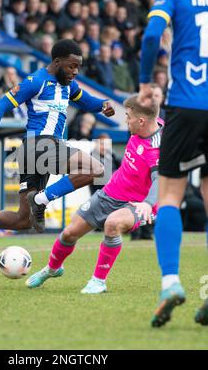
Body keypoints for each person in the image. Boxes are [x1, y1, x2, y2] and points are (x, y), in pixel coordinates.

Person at [0, 39, 115, 248]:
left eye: (78, 67)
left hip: (38, 151)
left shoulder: (68, 85)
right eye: (72, 66)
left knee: (23, 220)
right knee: (96, 168)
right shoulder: (36, 81)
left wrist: (103, 105)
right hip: (40, 145)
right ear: (57, 62)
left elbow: (88, 102)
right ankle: (41, 200)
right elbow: (0, 106)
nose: (75, 71)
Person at [26, 95, 162, 293]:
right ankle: (52, 269)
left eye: (128, 116)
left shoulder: (156, 149)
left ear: (141, 121)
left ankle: (98, 281)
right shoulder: (150, 123)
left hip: (139, 203)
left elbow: (160, 179)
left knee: (112, 224)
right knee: (69, 233)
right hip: (111, 192)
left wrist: (149, 204)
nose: (126, 120)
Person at [138, 0, 208, 327]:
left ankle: (170, 283)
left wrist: (145, 82)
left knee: (169, 196)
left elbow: (152, 35)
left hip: (186, 104)